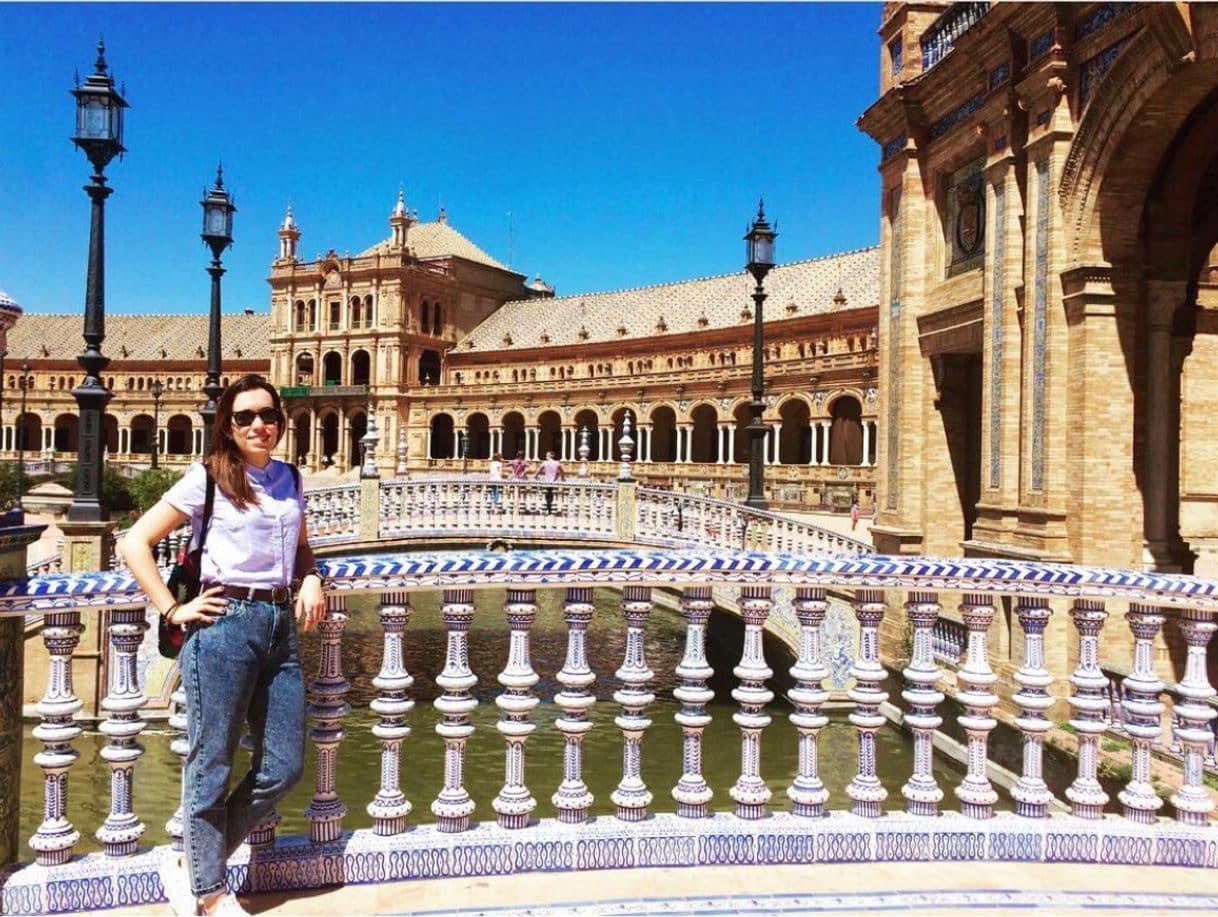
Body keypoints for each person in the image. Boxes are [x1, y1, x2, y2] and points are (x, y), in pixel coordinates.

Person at [120, 374, 326, 916]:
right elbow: (134, 541)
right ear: (228, 428)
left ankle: (193, 863)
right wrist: (173, 608)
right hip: (223, 626)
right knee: (211, 762)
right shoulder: (206, 478)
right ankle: (208, 894)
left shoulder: (290, 478)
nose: (259, 425)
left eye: (268, 415)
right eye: (245, 417)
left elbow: (302, 549)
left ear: (281, 420)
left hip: (280, 626)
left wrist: (310, 577)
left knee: (283, 766)